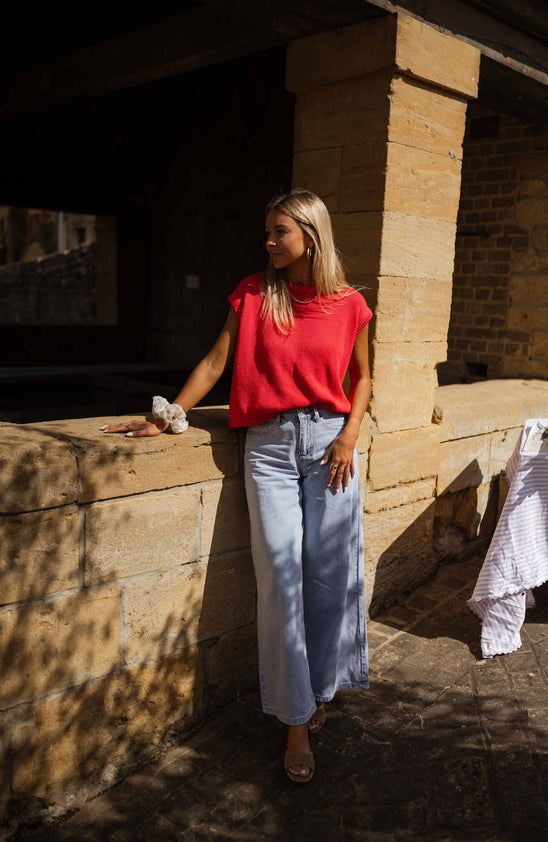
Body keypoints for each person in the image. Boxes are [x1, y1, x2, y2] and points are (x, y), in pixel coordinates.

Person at [100, 189, 372, 783]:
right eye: (267, 231)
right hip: (269, 448)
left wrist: (349, 436)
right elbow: (215, 362)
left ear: (311, 236)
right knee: (280, 580)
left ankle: (320, 689)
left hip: (332, 446)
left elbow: (363, 379)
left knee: (330, 578)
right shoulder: (253, 293)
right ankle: (295, 720)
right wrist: (165, 416)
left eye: (279, 232)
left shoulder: (350, 304)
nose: (268, 241)